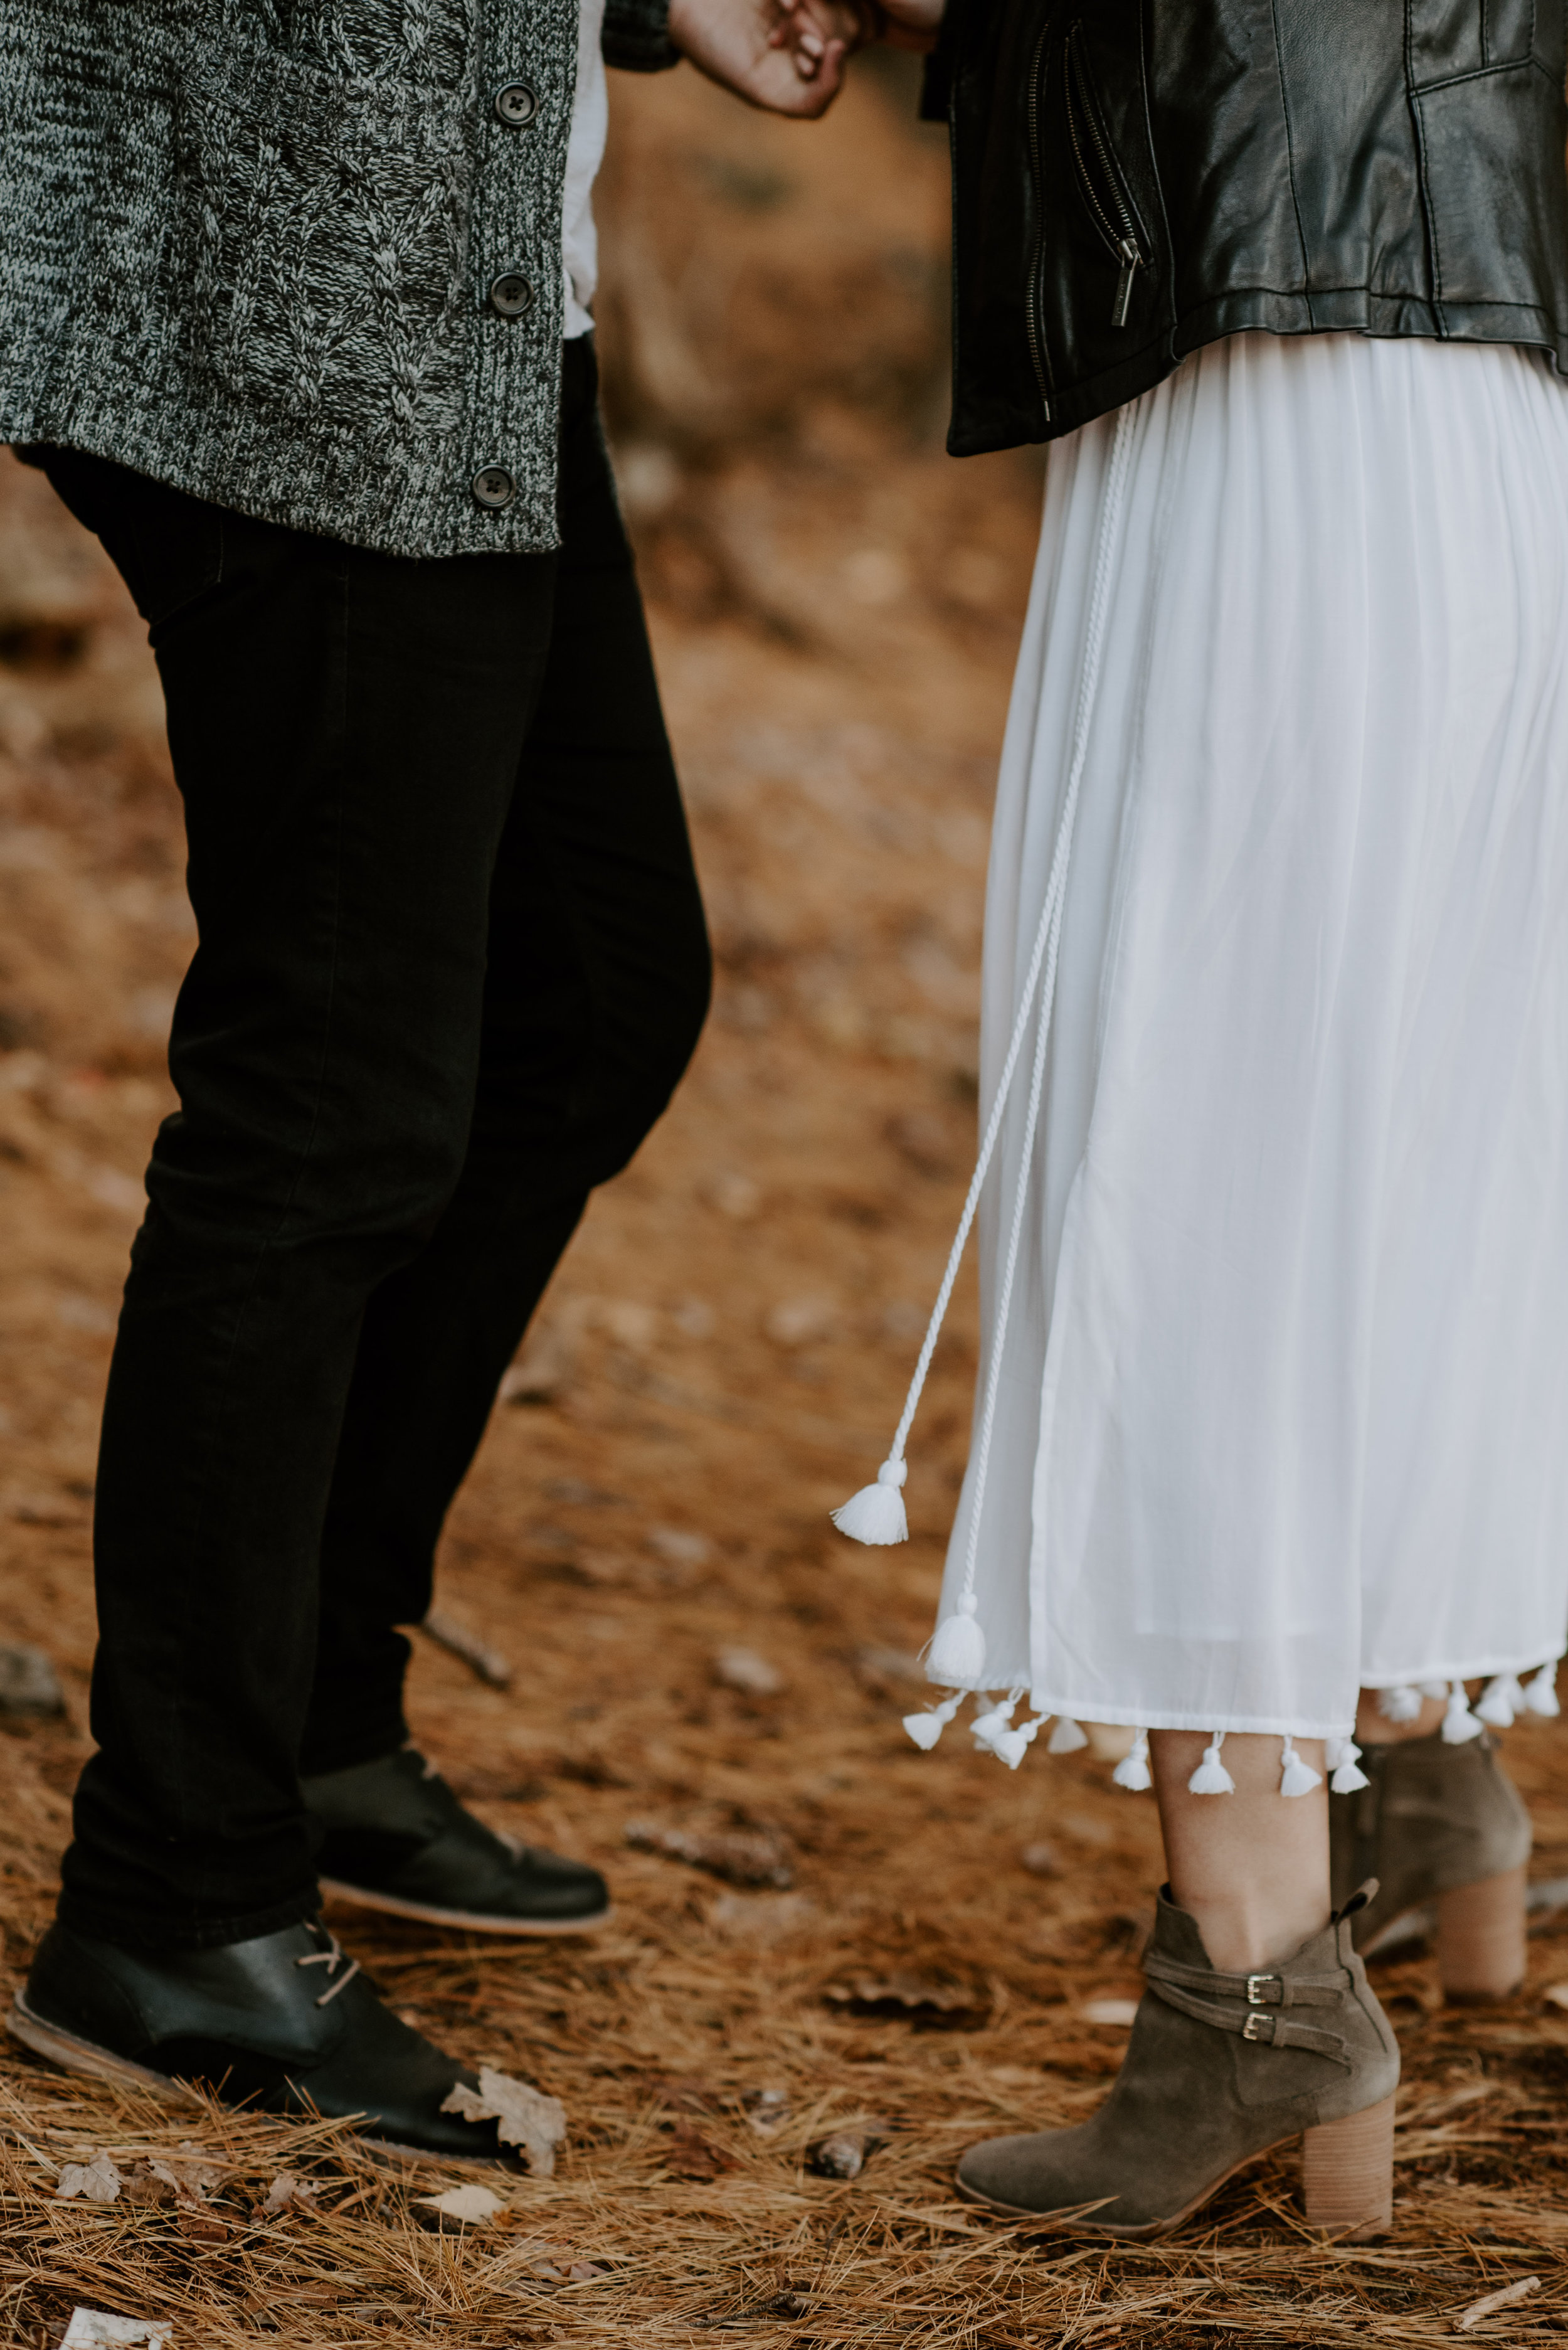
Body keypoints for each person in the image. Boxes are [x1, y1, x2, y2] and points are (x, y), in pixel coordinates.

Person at [0, 0, 851, 2161]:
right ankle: (177, 1891)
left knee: (586, 993)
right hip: (292, 310)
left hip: (453, 298)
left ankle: (300, 1706)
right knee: (333, 1096)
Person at [829, 0, 1568, 2238]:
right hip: (1491, 363)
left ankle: (1254, 1970)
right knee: (1401, 1111)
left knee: (1204, 1132)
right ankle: (1409, 1750)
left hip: (1258, 331)